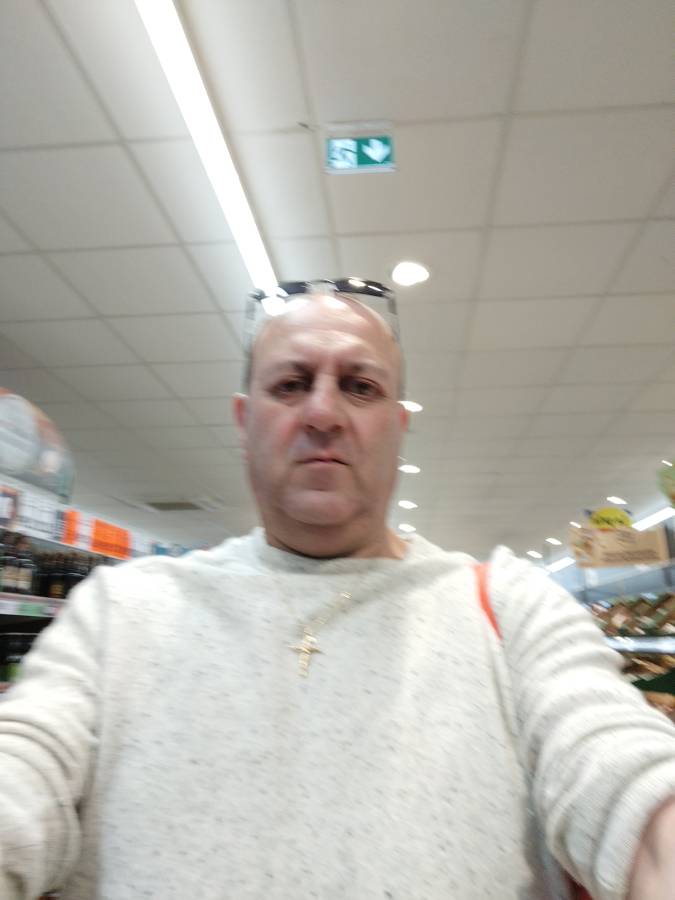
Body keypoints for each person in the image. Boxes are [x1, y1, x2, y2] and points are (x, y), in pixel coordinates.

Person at [0, 286, 674, 900]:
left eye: (360, 386)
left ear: (398, 426)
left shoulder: (508, 607)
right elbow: (24, 766)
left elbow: (615, 762)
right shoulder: (118, 612)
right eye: (291, 384)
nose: (323, 412)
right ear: (244, 421)